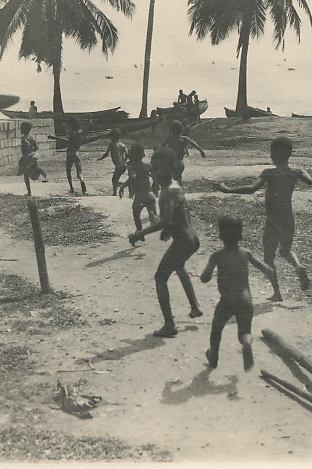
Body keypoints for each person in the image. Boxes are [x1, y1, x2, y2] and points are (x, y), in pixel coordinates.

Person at [215, 136, 312, 299]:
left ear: (273, 154)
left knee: (269, 257)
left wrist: (227, 189)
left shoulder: (269, 173)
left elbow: (251, 188)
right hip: (288, 218)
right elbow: (309, 180)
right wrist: (300, 170)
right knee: (286, 250)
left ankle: (277, 292)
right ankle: (298, 265)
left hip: (273, 220)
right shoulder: (295, 172)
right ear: (289, 154)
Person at [128, 147, 203, 337]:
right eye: (153, 169)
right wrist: (169, 231)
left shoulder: (165, 193)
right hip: (191, 237)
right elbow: (181, 213)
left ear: (169, 168)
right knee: (179, 267)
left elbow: (165, 221)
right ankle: (195, 306)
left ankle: (169, 325)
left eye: (157, 169)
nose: (153, 173)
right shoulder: (176, 186)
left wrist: (140, 233)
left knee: (160, 278)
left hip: (183, 241)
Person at [200, 215, 277, 371]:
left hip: (227, 301)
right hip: (245, 300)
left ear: (220, 235)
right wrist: (269, 272)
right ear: (240, 234)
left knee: (216, 329)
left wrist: (208, 273)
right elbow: (266, 268)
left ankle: (213, 356)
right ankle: (247, 342)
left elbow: (204, 278)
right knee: (244, 332)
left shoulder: (217, 256)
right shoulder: (246, 253)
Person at [118, 142, 158, 234]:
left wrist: (123, 186)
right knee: (152, 209)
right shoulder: (148, 165)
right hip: (150, 194)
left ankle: (139, 230)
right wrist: (155, 187)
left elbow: (133, 177)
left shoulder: (132, 167)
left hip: (140, 196)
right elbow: (155, 177)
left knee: (136, 214)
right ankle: (153, 215)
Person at [49, 118, 87, 195]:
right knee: (79, 172)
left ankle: (72, 188)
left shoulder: (70, 132)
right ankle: (82, 183)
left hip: (70, 153)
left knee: (68, 170)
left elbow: (66, 141)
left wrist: (54, 138)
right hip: (77, 153)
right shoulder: (80, 132)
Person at [162, 120, 205, 184]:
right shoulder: (184, 138)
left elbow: (162, 148)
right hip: (180, 163)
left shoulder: (169, 139)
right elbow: (193, 143)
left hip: (171, 163)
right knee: (179, 179)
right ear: (181, 130)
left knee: (171, 181)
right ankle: (180, 191)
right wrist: (201, 151)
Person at [18, 121, 48, 195]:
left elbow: (25, 146)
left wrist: (27, 152)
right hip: (33, 155)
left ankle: (29, 192)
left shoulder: (23, 138)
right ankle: (40, 171)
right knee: (33, 169)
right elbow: (36, 147)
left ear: (23, 130)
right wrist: (32, 152)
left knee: (25, 174)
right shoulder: (31, 138)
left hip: (27, 156)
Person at [97, 128, 128, 196]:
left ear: (113, 136)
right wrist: (125, 160)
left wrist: (100, 158)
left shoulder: (112, 144)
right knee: (115, 179)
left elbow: (106, 154)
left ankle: (118, 190)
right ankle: (120, 189)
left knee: (114, 180)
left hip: (118, 166)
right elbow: (127, 154)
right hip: (123, 165)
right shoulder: (123, 145)